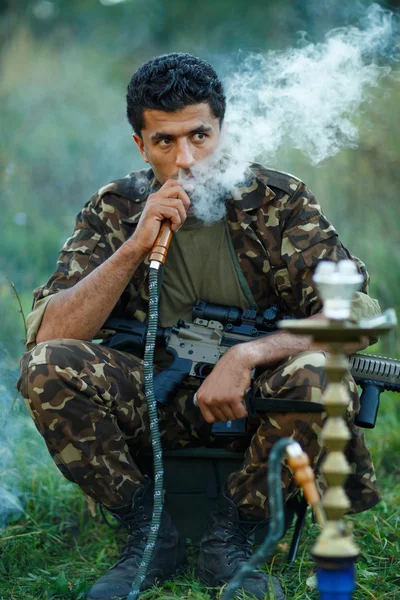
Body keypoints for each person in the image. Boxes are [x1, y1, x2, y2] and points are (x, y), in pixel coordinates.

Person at [18, 53, 382, 600]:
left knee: (319, 373)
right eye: (165, 142)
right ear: (141, 145)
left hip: (255, 402)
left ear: (223, 129)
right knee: (47, 367)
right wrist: (137, 244)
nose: (185, 159)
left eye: (200, 136)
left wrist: (247, 356)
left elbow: (354, 312)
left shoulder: (277, 202)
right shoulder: (116, 209)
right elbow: (49, 333)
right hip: (152, 397)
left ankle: (234, 537)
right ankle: (147, 535)